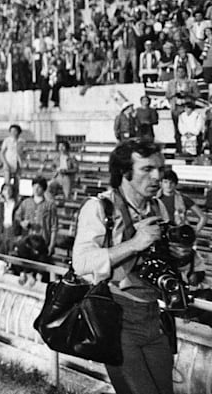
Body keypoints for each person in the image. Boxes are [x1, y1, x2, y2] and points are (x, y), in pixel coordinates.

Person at [72, 139, 175, 394]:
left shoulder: (158, 206)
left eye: (160, 170)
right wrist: (134, 244)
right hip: (118, 318)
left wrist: (179, 257)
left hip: (154, 316)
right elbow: (81, 262)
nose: (157, 177)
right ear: (124, 172)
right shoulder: (99, 207)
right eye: (147, 169)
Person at [13, 177, 57, 286]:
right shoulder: (26, 202)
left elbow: (54, 227)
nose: (36, 189)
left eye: (39, 187)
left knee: (42, 261)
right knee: (21, 253)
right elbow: (17, 216)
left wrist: (51, 244)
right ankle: (25, 274)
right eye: (34, 186)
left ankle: (37, 278)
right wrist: (22, 222)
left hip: (42, 240)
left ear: (44, 189)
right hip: (28, 240)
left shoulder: (50, 205)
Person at [158, 169, 207, 234]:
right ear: (161, 183)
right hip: (160, 234)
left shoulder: (184, 198)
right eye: (165, 182)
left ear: (175, 184)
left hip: (179, 234)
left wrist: (194, 233)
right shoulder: (155, 199)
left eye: (171, 182)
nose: (168, 185)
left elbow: (203, 217)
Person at [166, 65, 200, 153]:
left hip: (187, 107)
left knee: (189, 128)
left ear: (185, 72)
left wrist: (188, 94)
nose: (180, 73)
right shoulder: (171, 83)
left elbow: (198, 95)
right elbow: (167, 95)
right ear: (176, 72)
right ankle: (179, 149)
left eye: (182, 71)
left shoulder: (191, 82)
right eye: (178, 71)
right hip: (176, 107)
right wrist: (174, 93)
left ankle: (191, 149)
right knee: (177, 129)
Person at [1, 124, 23, 195]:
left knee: (17, 183)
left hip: (17, 164)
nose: (13, 133)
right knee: (7, 183)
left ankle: (16, 197)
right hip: (8, 163)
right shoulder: (7, 140)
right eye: (11, 131)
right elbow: (2, 153)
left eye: (15, 131)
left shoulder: (21, 142)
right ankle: (6, 197)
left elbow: (22, 153)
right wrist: (5, 163)